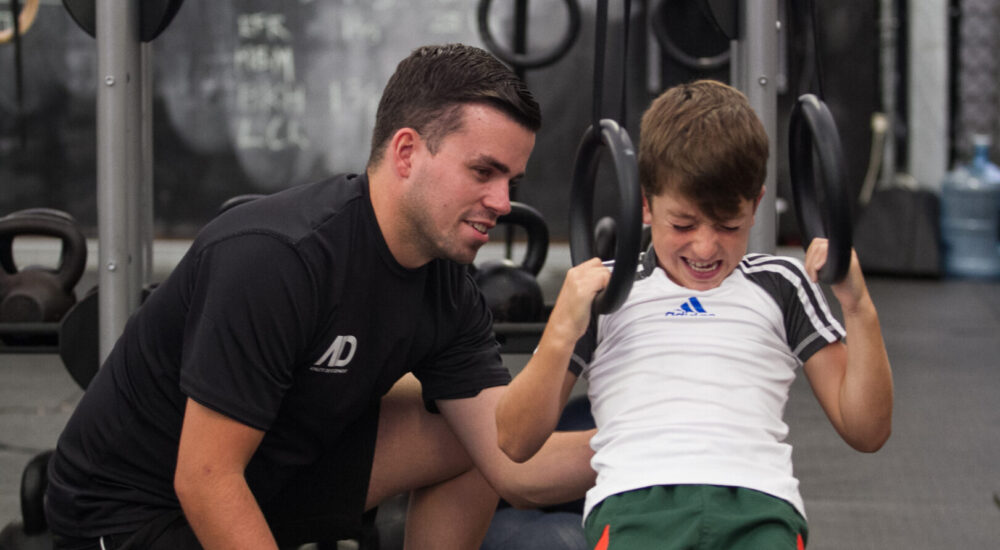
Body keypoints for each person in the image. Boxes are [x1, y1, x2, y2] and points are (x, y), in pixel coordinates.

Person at [46, 43, 596, 550]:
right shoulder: (280, 258)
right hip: (132, 512)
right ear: (406, 152)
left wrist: (669, 440)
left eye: (512, 181)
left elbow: (513, 463)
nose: (502, 202)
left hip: (274, 469)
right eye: (483, 171)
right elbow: (205, 478)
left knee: (471, 444)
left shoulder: (447, 284)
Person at [495, 79, 894, 549]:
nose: (705, 247)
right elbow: (515, 442)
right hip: (636, 509)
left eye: (729, 226)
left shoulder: (781, 283)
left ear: (757, 205)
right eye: (682, 224)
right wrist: (562, 330)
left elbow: (867, 430)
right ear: (644, 204)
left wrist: (858, 306)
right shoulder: (604, 289)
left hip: (758, 509)